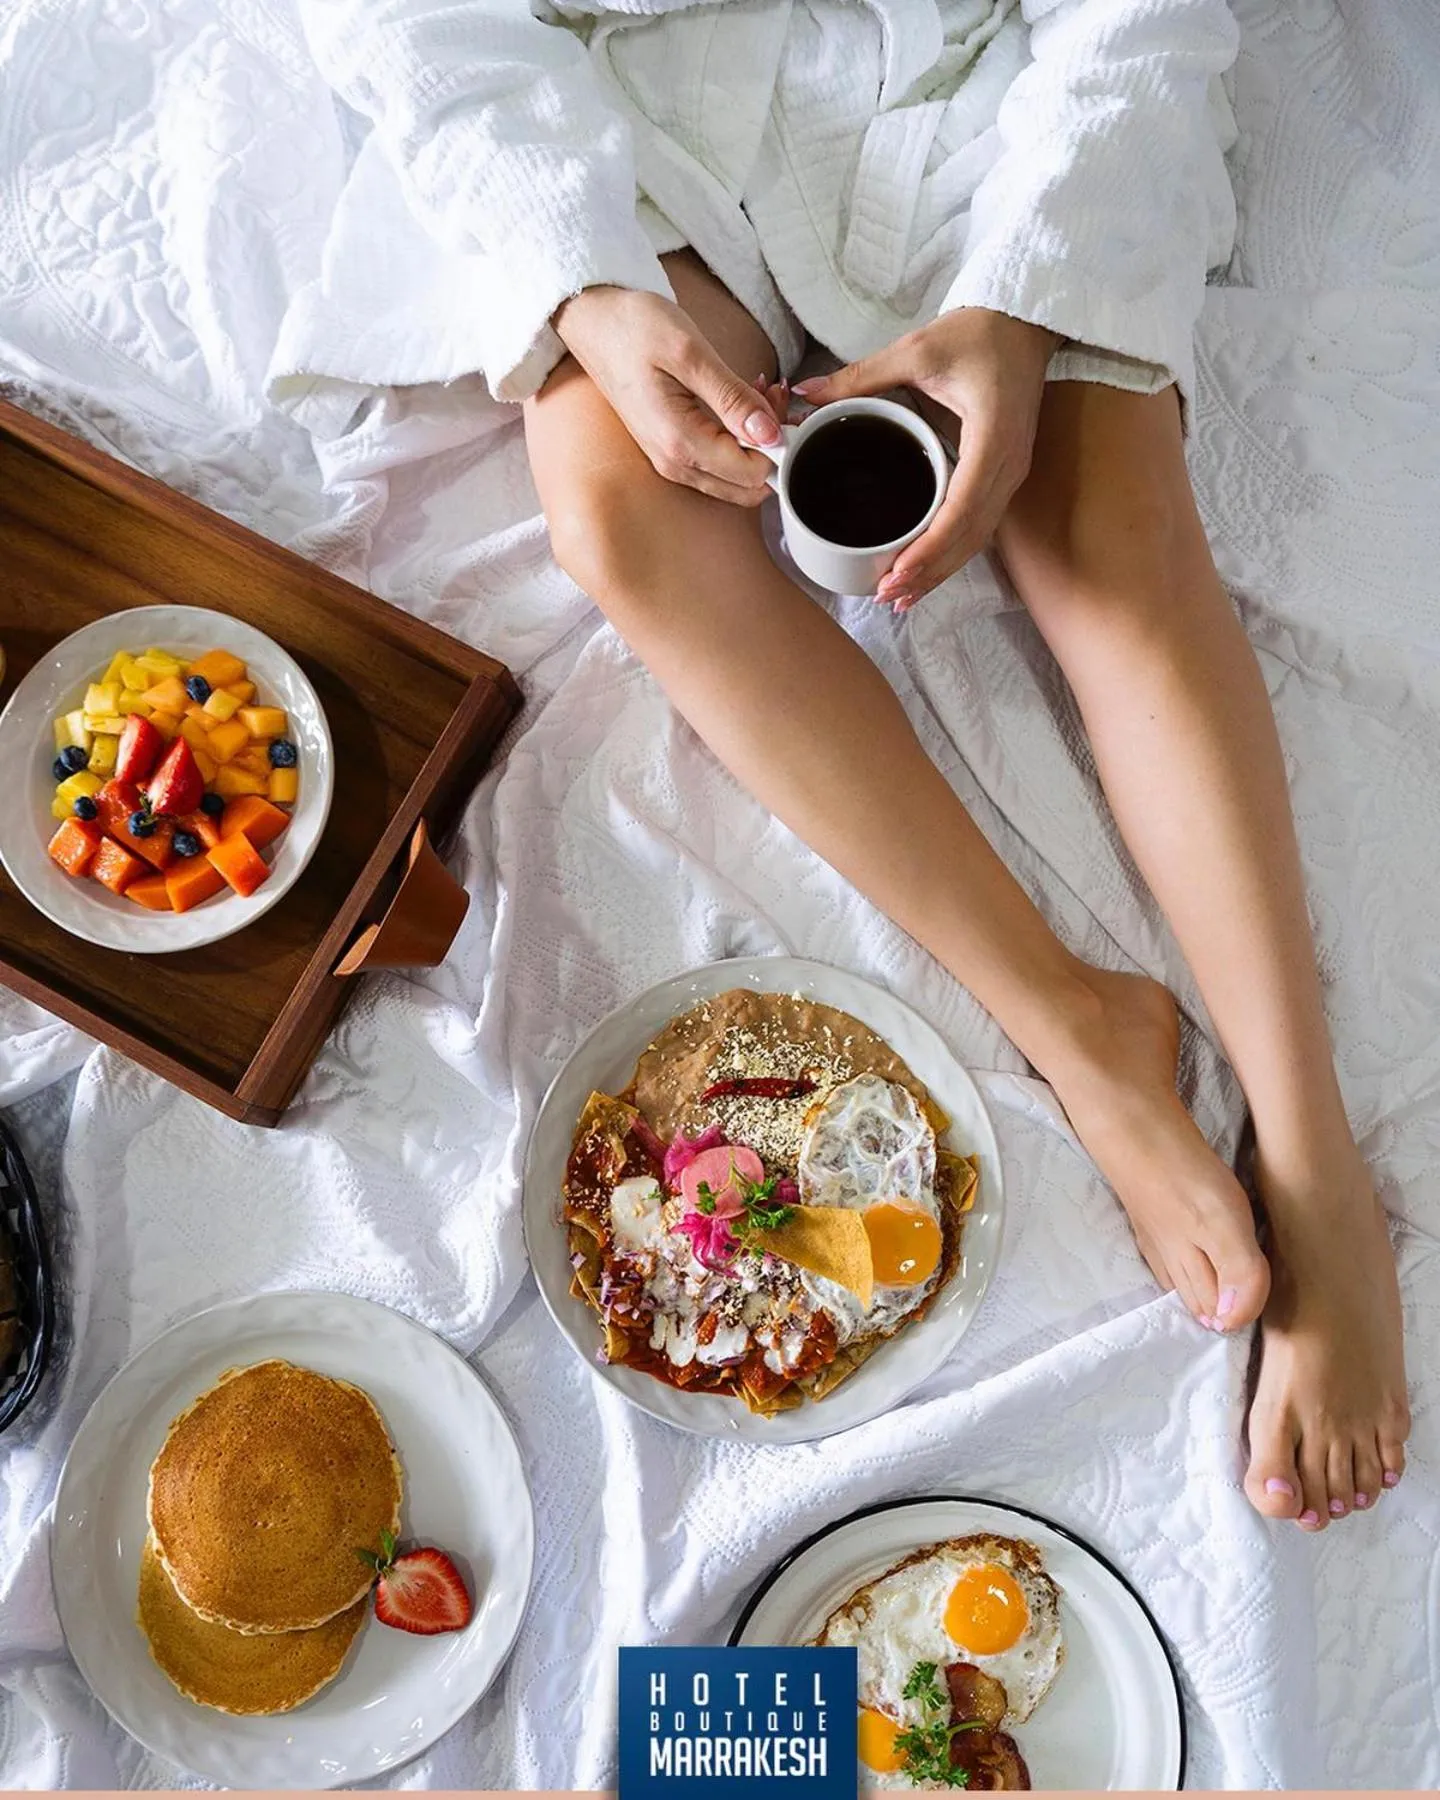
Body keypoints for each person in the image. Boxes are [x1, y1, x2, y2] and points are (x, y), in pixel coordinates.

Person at [289, 0, 1407, 1527]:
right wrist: (580, 281)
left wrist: (1024, 299)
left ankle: (1312, 1149)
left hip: (1001, 91)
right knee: (620, 514)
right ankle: (1079, 1027)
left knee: (1108, 544)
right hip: (637, 109)